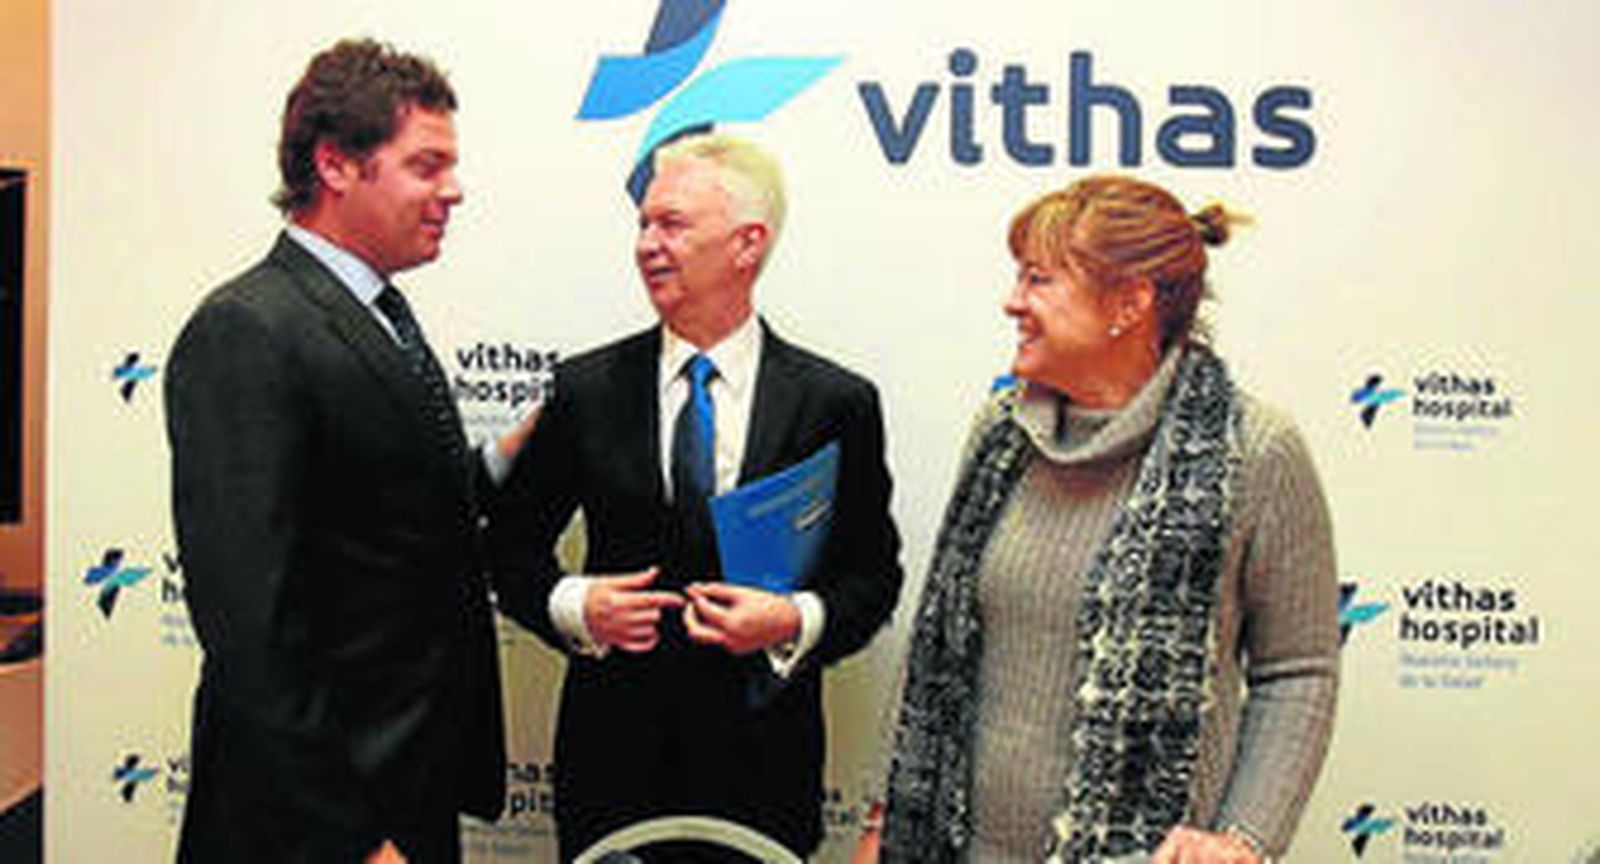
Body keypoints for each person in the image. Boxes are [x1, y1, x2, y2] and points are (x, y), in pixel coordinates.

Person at [866, 176, 1338, 863]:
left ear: (1129, 302)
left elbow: (1299, 668)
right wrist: (884, 825)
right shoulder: (1000, 433)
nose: (1012, 302)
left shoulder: (1255, 449)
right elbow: (936, 646)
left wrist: (1242, 837)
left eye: (1038, 279)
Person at [488, 133, 904, 861]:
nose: (647, 244)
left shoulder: (835, 402)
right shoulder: (587, 390)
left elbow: (874, 577)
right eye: (643, 224)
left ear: (748, 244)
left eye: (671, 224)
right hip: (612, 771)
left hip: (764, 771)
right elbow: (506, 549)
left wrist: (792, 621)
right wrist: (575, 607)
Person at [165, 39, 514, 864]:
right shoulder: (247, 329)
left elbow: (382, 513)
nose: (453, 191)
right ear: (336, 164)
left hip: (408, 779)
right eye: (426, 166)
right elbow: (253, 624)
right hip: (317, 817)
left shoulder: (378, 311)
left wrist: (506, 456)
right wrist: (348, 836)